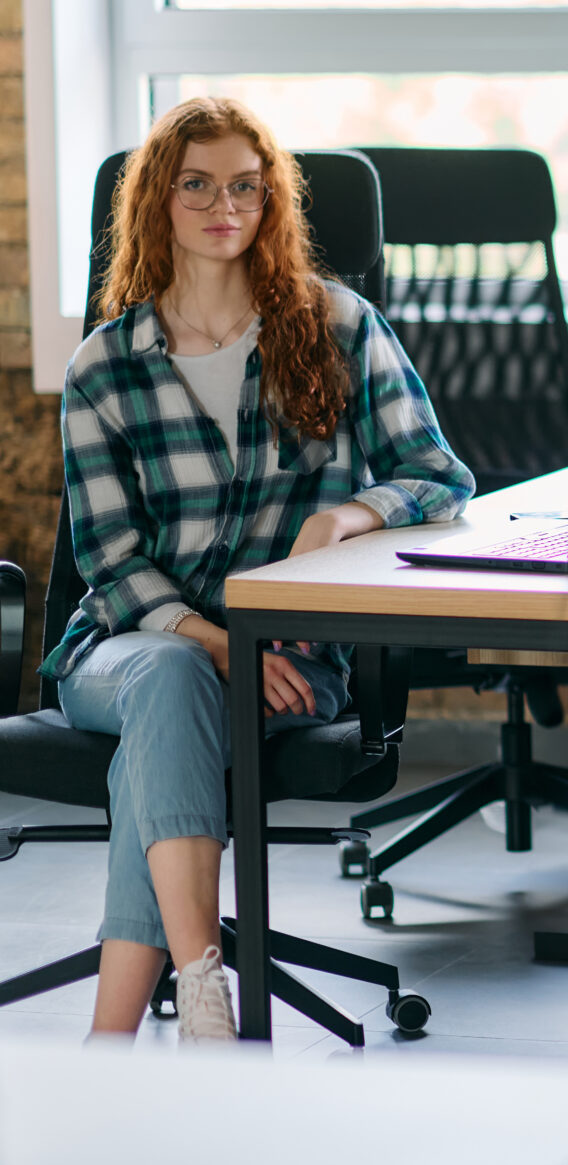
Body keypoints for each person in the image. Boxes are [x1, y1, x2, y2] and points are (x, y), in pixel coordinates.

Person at [44, 97, 474, 1045]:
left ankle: (112, 1042)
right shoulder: (104, 370)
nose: (222, 204)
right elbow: (110, 568)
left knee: (154, 764)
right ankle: (201, 984)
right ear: (158, 200)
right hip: (125, 656)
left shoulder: (337, 326)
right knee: (171, 675)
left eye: (246, 184)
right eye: (196, 184)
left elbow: (440, 476)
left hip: (291, 662)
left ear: (271, 200)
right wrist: (218, 642)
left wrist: (345, 512)